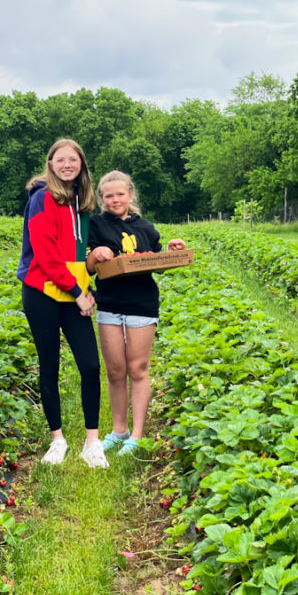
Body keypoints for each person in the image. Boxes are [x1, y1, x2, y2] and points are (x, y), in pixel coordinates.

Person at [17, 139, 109, 468]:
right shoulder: (42, 199)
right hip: (42, 291)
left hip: (71, 291)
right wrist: (77, 292)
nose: (67, 164)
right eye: (61, 160)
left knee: (89, 365)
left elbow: (79, 256)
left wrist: (87, 285)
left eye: (74, 160)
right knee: (50, 365)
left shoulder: (80, 203)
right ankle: (58, 439)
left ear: (81, 165)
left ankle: (92, 441)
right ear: (51, 164)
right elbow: (46, 256)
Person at [86, 171, 186, 456]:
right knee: (115, 370)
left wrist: (170, 250)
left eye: (120, 194)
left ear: (130, 196)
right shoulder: (95, 224)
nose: (115, 199)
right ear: (102, 199)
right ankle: (119, 430)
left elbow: (157, 263)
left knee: (138, 368)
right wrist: (97, 254)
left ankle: (138, 435)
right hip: (109, 304)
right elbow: (88, 266)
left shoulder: (146, 227)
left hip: (142, 304)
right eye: (109, 195)